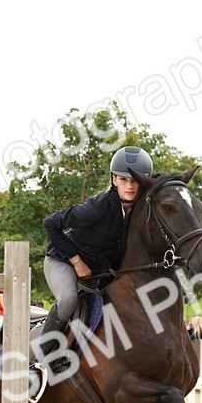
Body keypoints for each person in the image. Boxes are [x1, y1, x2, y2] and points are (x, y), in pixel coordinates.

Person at [36, 145, 151, 373]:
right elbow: (51, 223)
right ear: (114, 180)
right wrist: (77, 261)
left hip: (98, 272)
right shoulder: (97, 208)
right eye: (124, 179)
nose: (130, 186)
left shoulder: (140, 210)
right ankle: (40, 361)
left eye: (135, 181)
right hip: (63, 261)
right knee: (68, 299)